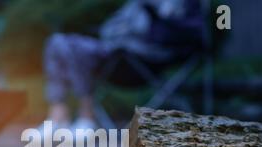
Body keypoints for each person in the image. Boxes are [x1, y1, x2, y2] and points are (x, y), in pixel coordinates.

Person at [40, 0, 203, 138]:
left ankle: (87, 117)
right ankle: (57, 116)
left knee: (75, 50)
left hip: (141, 57)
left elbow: (179, 33)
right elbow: (111, 28)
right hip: (117, 53)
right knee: (56, 42)